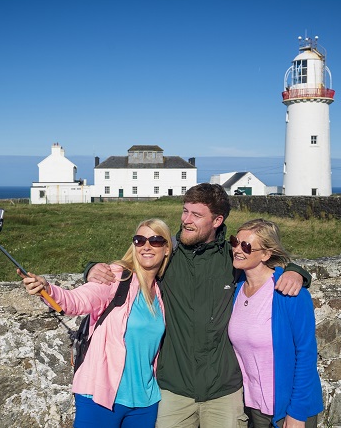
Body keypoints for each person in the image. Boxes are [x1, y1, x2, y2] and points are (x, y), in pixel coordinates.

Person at [86, 183, 312, 428]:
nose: (186, 220)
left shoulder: (232, 257)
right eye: (185, 211)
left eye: (196, 215)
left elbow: (265, 265)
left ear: (217, 220)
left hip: (223, 391)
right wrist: (91, 268)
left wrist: (296, 272)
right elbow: (134, 261)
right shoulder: (168, 255)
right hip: (174, 389)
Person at [20, 218, 173, 428]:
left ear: (166, 249)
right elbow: (76, 301)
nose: (146, 246)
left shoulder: (161, 291)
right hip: (100, 396)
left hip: (145, 402)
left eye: (155, 240)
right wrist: (47, 289)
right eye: (140, 240)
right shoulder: (117, 277)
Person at [228, 218, 323, 428]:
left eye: (246, 246)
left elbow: (306, 355)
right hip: (254, 409)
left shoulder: (288, 292)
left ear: (266, 254)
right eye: (235, 241)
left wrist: (297, 413)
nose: (237, 249)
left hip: (288, 409)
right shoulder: (237, 288)